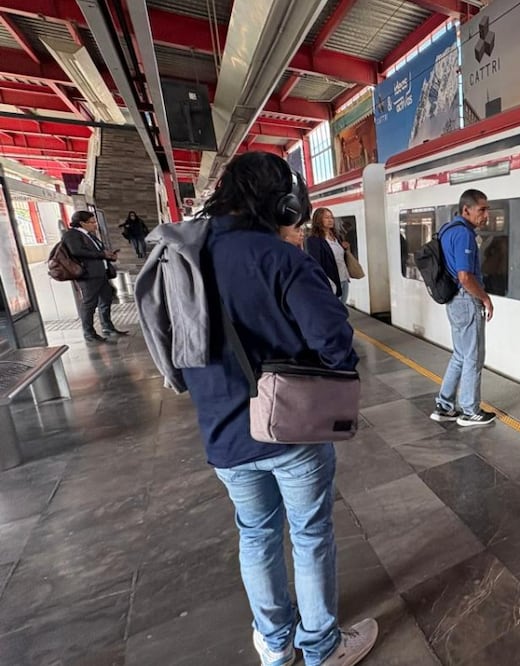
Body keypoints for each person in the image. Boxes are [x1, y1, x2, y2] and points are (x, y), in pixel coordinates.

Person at [179, 152, 377, 666]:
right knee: (309, 534)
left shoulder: (184, 257)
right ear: (282, 204)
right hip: (291, 429)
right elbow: (334, 342)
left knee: (256, 533)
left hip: (222, 432)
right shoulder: (280, 258)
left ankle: (273, 643)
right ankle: (322, 647)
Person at [430, 189, 497, 427]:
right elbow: (465, 277)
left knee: (460, 355)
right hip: (466, 300)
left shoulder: (448, 229)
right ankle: (470, 411)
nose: (486, 215)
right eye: (482, 210)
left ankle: (445, 406)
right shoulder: (464, 235)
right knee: (473, 357)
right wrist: (485, 298)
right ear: (466, 210)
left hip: (454, 301)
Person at [61, 211, 128, 343]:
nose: (95, 225)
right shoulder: (72, 235)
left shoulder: (90, 235)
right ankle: (89, 332)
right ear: (82, 223)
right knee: (89, 304)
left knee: (106, 300)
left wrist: (109, 255)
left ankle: (107, 327)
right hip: (88, 275)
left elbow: (98, 251)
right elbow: (77, 251)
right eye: (92, 222)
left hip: (100, 273)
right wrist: (102, 255)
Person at [306, 207, 351, 304]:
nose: (330, 220)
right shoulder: (314, 240)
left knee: (342, 310)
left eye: (331, 217)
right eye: (326, 217)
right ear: (318, 220)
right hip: (331, 282)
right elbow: (316, 264)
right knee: (335, 312)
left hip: (344, 279)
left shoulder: (337, 236)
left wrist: (345, 248)